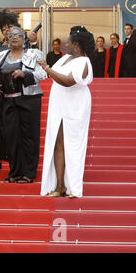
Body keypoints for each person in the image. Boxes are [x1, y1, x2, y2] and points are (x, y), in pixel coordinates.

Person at [39, 26, 95, 198]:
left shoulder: (84, 61)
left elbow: (69, 81)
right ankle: (60, 186)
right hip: (59, 103)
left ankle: (73, 187)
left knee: (73, 143)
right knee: (58, 142)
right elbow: (50, 74)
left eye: (68, 43)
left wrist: (47, 69)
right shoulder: (64, 59)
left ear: (77, 45)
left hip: (75, 104)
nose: (65, 45)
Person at [0, 26, 47, 184]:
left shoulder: (33, 54)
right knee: (11, 137)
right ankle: (15, 172)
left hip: (29, 99)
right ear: (7, 39)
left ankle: (29, 173)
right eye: (11, 35)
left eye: (18, 35)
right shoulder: (1, 56)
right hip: (8, 100)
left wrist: (26, 74)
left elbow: (43, 73)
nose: (14, 37)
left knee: (29, 137)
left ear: (24, 39)